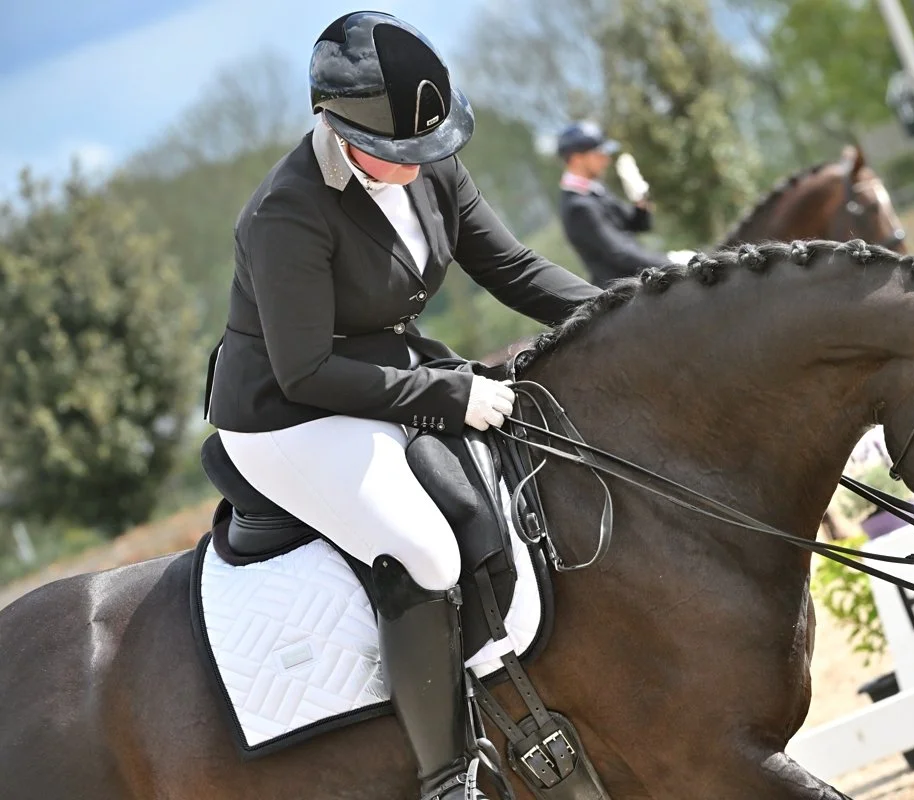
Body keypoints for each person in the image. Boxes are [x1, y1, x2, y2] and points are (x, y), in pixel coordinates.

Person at [204, 12, 601, 799]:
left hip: (385, 374)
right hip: (287, 415)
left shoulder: (432, 165)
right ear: (336, 128)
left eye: (431, 147)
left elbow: (515, 269)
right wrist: (451, 394)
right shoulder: (287, 212)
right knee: (425, 550)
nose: (421, 166)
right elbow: (307, 370)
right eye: (398, 154)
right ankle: (446, 778)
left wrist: (634, 309)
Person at [557, 121, 673, 287]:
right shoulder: (578, 206)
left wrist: (640, 197)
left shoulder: (595, 190)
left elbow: (636, 224)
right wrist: (671, 262)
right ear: (577, 159)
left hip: (640, 280)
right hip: (624, 295)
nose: (606, 159)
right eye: (598, 153)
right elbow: (620, 253)